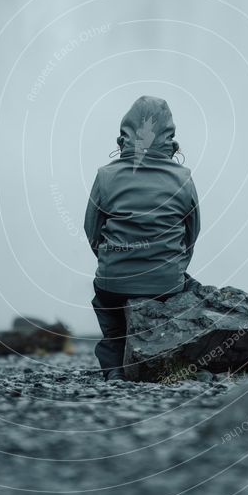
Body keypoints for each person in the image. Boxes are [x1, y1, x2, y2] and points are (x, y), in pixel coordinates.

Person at [84, 96, 201, 382]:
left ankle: (113, 368)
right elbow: (192, 232)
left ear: (123, 136)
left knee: (110, 315)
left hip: (114, 280)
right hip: (165, 282)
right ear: (170, 138)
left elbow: (91, 230)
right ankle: (165, 358)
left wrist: (114, 257)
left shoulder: (105, 175)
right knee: (193, 289)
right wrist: (172, 264)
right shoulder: (183, 178)